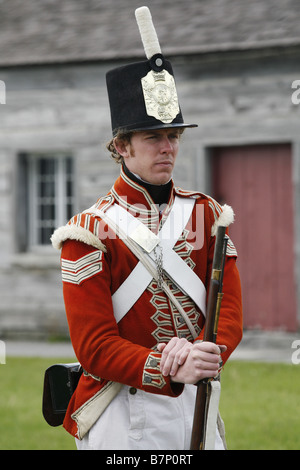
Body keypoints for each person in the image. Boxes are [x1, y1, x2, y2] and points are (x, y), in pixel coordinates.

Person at [51, 7, 242, 450]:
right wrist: (166, 365)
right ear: (121, 146)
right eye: (153, 137)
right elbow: (94, 346)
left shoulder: (208, 215)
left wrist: (206, 355)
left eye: (174, 135)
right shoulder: (88, 232)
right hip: (122, 411)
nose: (168, 147)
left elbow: (228, 310)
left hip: (197, 399)